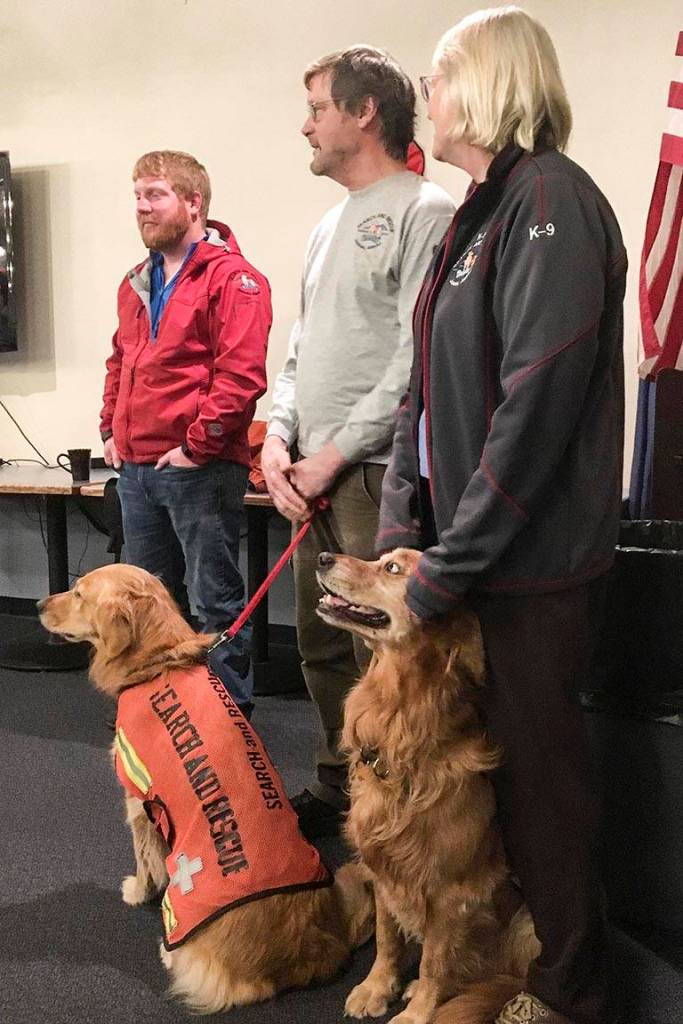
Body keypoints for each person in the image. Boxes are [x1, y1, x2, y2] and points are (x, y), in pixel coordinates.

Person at [377, 8, 626, 1024]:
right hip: (462, 559)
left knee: (540, 788)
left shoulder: (551, 201)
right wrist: (402, 521)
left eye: (435, 80)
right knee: (483, 790)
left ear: (481, 85)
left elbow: (531, 415)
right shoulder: (475, 213)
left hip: (526, 569)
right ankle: (502, 966)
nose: (423, 100)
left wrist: (449, 561)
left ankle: (570, 993)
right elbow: (422, 399)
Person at [262, 47, 455, 838]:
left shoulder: (424, 209)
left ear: (364, 112)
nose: (305, 124)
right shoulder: (326, 224)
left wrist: (333, 454)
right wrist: (278, 438)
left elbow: (416, 360)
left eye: (316, 107)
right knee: (320, 643)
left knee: (389, 656)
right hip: (308, 472)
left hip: (373, 475)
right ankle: (343, 784)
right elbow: (302, 348)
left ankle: (401, 802)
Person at [100, 150, 271, 715]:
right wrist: (109, 430)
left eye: (155, 195)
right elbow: (119, 361)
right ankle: (165, 724)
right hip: (136, 472)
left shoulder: (234, 279)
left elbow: (241, 377)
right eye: (137, 197)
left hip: (196, 471)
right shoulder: (135, 283)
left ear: (194, 203)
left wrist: (195, 447)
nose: (142, 208)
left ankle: (226, 730)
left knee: (214, 605)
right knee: (147, 606)